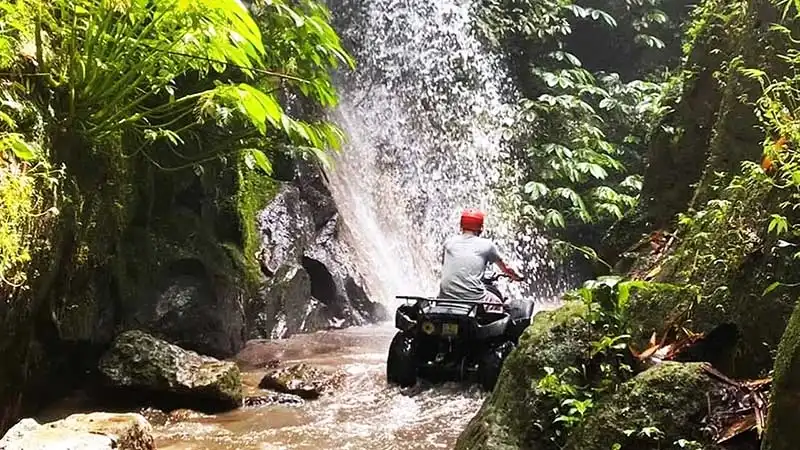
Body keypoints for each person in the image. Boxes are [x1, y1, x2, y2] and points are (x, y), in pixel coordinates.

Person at [438, 209, 524, 312]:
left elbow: (445, 265)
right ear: (481, 228)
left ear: (461, 226)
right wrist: (517, 277)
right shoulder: (487, 245)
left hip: (444, 297)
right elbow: (506, 268)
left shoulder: (449, 243)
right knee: (497, 302)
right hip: (474, 298)